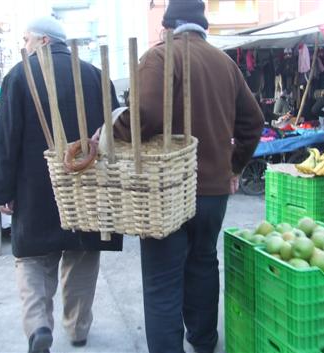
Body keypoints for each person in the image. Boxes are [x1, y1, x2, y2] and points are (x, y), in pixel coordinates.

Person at [112, 1, 264, 352]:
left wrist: (111, 132)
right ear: (201, 25)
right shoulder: (225, 63)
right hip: (212, 191)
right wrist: (234, 166)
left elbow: (144, 113)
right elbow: (253, 122)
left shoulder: (161, 57)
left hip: (166, 192)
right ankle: (204, 343)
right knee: (202, 266)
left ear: (168, 26)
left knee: (162, 281)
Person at [0, 16, 123, 353]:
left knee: (33, 260)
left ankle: (38, 328)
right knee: (82, 254)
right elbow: (113, 135)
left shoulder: (19, 75)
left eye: (27, 40)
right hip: (88, 189)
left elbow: (6, 139)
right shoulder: (96, 75)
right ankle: (77, 329)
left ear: (44, 41)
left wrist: (2, 191)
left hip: (35, 189)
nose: (25, 47)